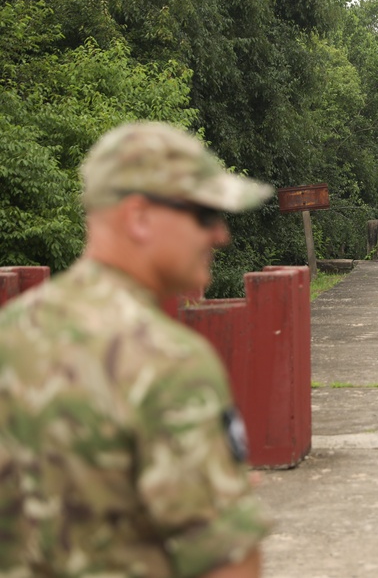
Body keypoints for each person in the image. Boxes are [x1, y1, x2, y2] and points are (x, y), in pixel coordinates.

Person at [0, 122, 274, 578]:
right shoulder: (170, 360)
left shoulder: (11, 332)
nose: (220, 234)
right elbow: (226, 563)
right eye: (205, 214)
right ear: (139, 217)